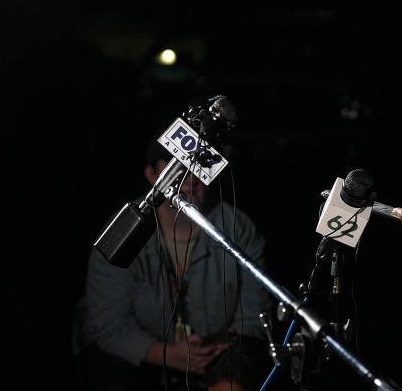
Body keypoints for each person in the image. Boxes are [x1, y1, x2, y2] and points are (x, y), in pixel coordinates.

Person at [76, 138, 272, 391]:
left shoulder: (236, 227)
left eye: (200, 165)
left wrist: (223, 345)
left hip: (215, 350)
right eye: (176, 165)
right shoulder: (122, 233)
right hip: (146, 355)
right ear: (152, 174)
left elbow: (254, 314)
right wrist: (167, 354)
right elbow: (108, 325)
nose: (190, 177)